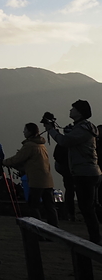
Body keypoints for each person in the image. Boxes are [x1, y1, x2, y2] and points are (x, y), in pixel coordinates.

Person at [45, 100, 101, 243]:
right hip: (88, 172)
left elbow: (65, 141)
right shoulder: (83, 128)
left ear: (80, 112)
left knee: (87, 208)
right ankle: (95, 238)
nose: (70, 111)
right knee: (90, 206)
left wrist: (51, 129)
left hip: (85, 173)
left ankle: (95, 239)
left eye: (73, 109)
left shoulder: (83, 129)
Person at [2, 122, 58, 227]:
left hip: (36, 180)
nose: (23, 132)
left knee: (33, 206)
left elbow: (17, 158)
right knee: (49, 206)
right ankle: (55, 229)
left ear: (29, 132)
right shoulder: (42, 145)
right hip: (47, 180)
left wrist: (4, 162)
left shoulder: (29, 146)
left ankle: (38, 229)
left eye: (25, 130)